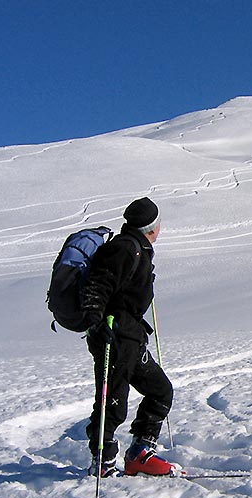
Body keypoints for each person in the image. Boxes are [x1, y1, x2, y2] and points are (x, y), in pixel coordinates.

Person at [82, 197, 178, 477]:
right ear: (153, 226)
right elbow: (97, 285)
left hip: (132, 336)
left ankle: (140, 453)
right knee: (112, 401)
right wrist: (95, 323)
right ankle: (103, 462)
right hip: (115, 336)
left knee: (160, 391)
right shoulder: (124, 249)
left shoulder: (137, 249)